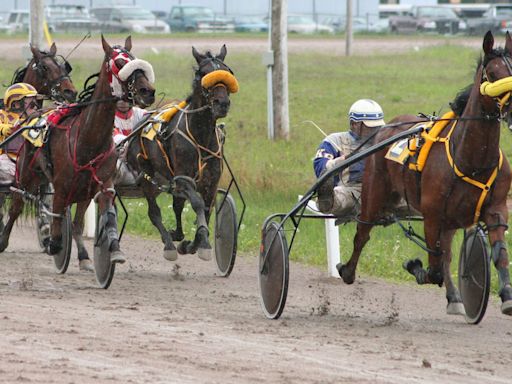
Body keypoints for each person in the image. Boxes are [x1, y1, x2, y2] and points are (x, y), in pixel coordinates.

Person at [313, 99, 385, 218]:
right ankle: (327, 201)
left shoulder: (386, 140)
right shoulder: (335, 140)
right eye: (370, 127)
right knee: (342, 197)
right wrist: (340, 161)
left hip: (383, 191)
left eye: (377, 127)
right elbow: (320, 166)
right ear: (354, 124)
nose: (375, 131)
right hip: (352, 191)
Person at [0, 83, 41, 184]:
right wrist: (9, 129)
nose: (35, 104)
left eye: (35, 100)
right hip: (7, 157)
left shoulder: (36, 118)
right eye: (30, 102)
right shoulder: (3, 115)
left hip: (30, 159)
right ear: (17, 103)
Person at [113, 100, 147, 186]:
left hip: (140, 160)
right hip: (120, 161)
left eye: (125, 99)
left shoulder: (140, 113)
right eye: (119, 99)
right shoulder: (108, 116)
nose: (122, 102)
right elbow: (116, 137)